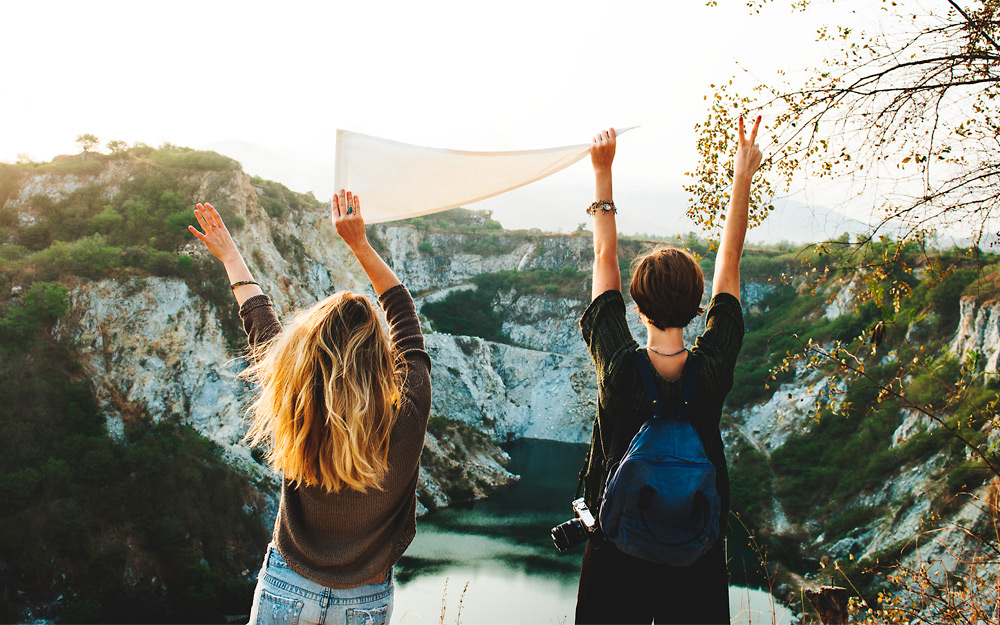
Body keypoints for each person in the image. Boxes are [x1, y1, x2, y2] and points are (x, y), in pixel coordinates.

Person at [188, 190, 431, 625]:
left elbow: (260, 325)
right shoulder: (408, 413)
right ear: (378, 355)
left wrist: (231, 257)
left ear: (308, 353)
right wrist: (359, 243)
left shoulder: (294, 401)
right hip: (365, 597)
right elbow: (404, 318)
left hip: (287, 584)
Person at [574, 119, 763, 624]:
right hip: (695, 556)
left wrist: (603, 172)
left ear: (636, 306)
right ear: (699, 304)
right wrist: (741, 178)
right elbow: (731, 261)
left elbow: (603, 255)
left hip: (615, 554)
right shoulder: (714, 367)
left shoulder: (618, 368)